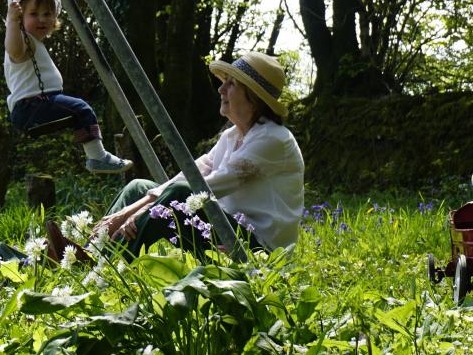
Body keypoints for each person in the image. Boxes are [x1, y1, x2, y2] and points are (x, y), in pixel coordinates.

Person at [50, 52, 303, 259]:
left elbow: (202, 188)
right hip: (226, 231)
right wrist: (129, 210)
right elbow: (193, 172)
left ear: (255, 97)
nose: (221, 89)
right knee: (139, 187)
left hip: (258, 253)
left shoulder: (273, 140)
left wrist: (136, 214)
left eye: (231, 83)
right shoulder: (231, 137)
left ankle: (103, 265)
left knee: (182, 193)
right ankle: (86, 250)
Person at [4, 0, 132, 174]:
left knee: (78, 113)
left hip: (37, 103)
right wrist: (12, 22)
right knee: (82, 109)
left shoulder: (35, 43)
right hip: (31, 106)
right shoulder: (21, 40)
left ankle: (96, 157)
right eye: (34, 14)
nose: (42, 19)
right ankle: (98, 158)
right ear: (20, 17)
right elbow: (14, 51)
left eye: (47, 14)